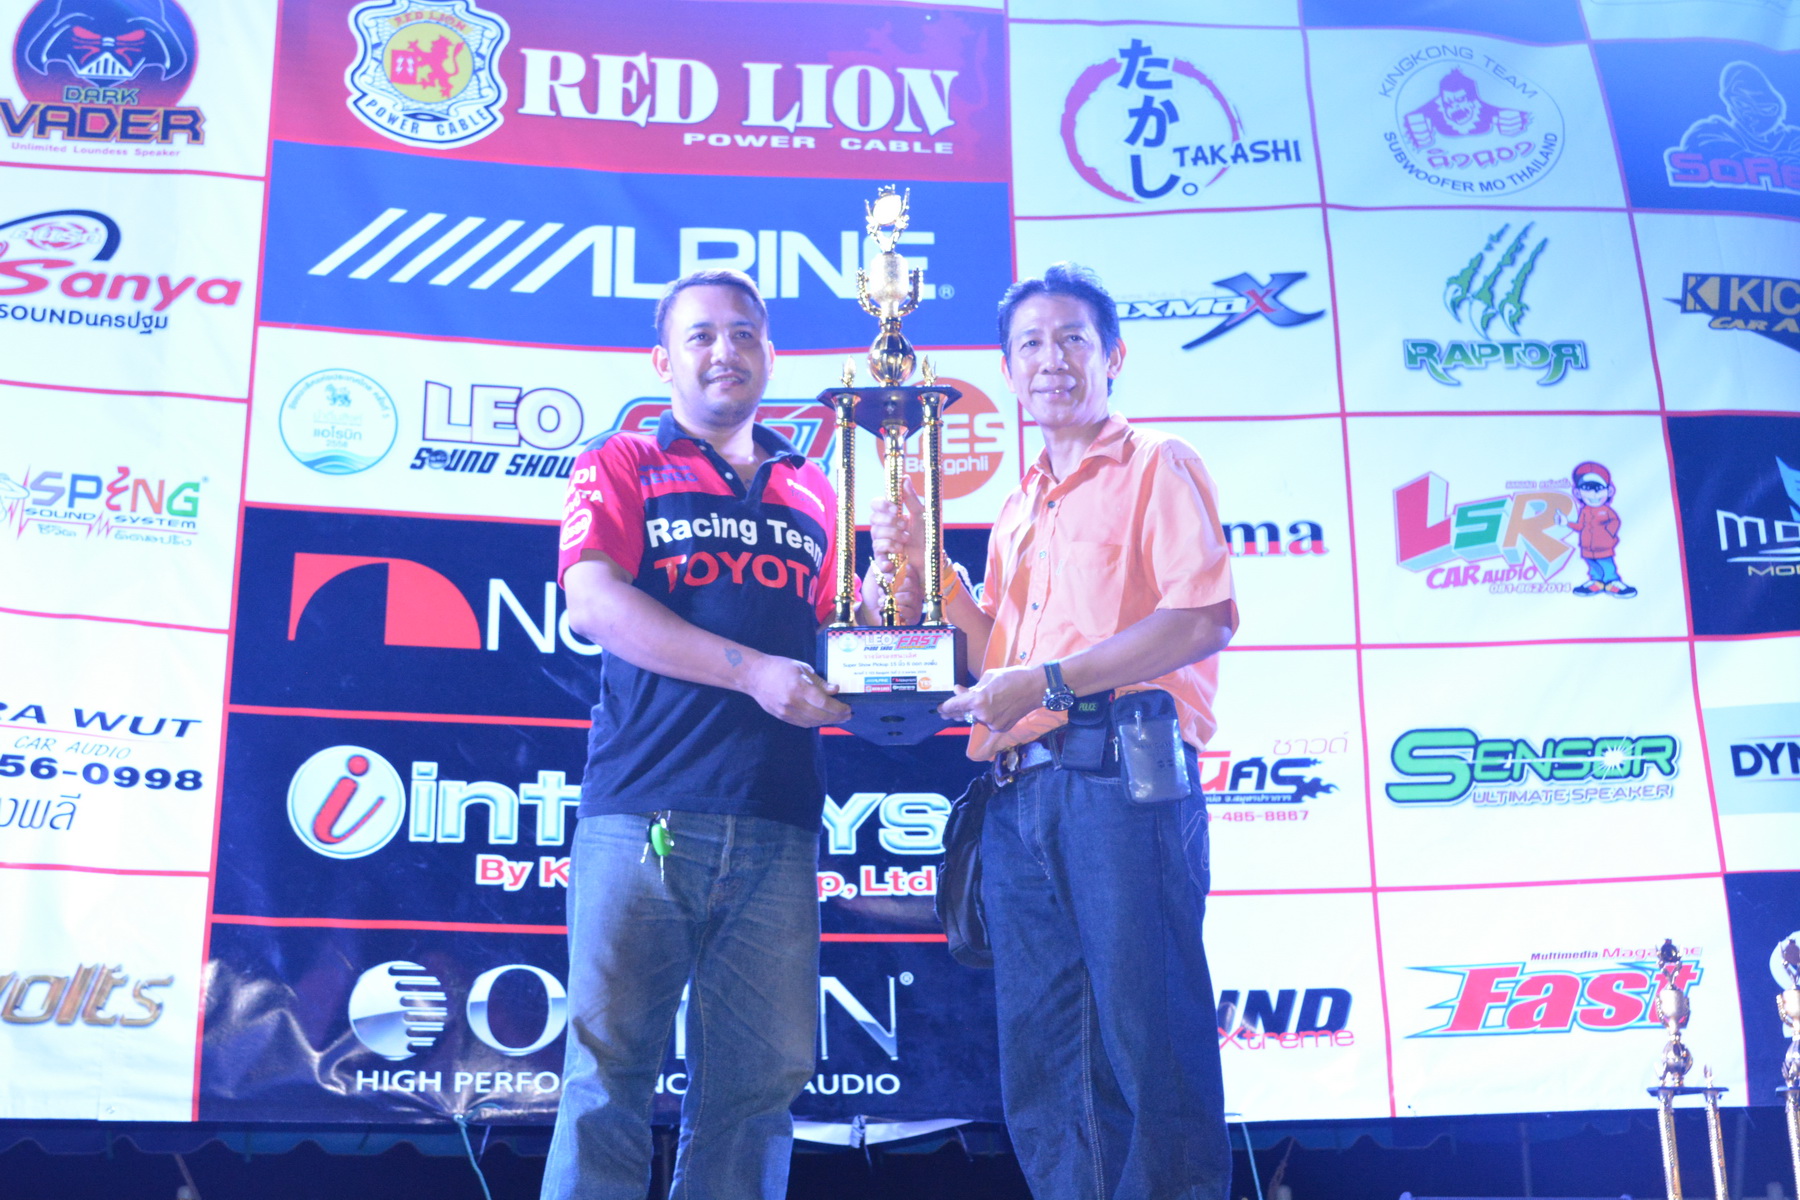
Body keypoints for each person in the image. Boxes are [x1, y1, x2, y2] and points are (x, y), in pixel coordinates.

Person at [873, 262, 1239, 1200]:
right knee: (1048, 1070)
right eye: (1030, 344)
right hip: (1018, 795)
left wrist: (1047, 682)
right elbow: (994, 655)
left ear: (1113, 355)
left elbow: (1203, 618)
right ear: (1008, 371)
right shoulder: (1017, 505)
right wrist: (929, 576)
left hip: (1119, 782)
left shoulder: (1156, 462)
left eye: (1073, 338)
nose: (1052, 360)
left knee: (1150, 1048)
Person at [544, 268, 898, 1200]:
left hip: (778, 819)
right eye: (700, 335)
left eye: (743, 333)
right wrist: (752, 672)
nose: (724, 350)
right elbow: (593, 604)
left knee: (755, 1094)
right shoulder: (621, 461)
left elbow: (844, 642)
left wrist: (890, 584)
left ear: (770, 355)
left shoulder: (814, 488)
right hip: (644, 813)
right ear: (663, 360)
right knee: (605, 1082)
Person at [1567, 460, 1636, 598]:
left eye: (1598, 489)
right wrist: (1567, 523)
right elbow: (1580, 526)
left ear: (1609, 491)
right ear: (1578, 492)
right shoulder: (1584, 511)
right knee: (1593, 565)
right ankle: (1597, 582)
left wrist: (1608, 534)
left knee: (1607, 565)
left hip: (1603, 547)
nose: (1593, 494)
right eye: (1587, 488)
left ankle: (1612, 582)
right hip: (1587, 547)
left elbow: (1615, 521)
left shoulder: (1606, 510)